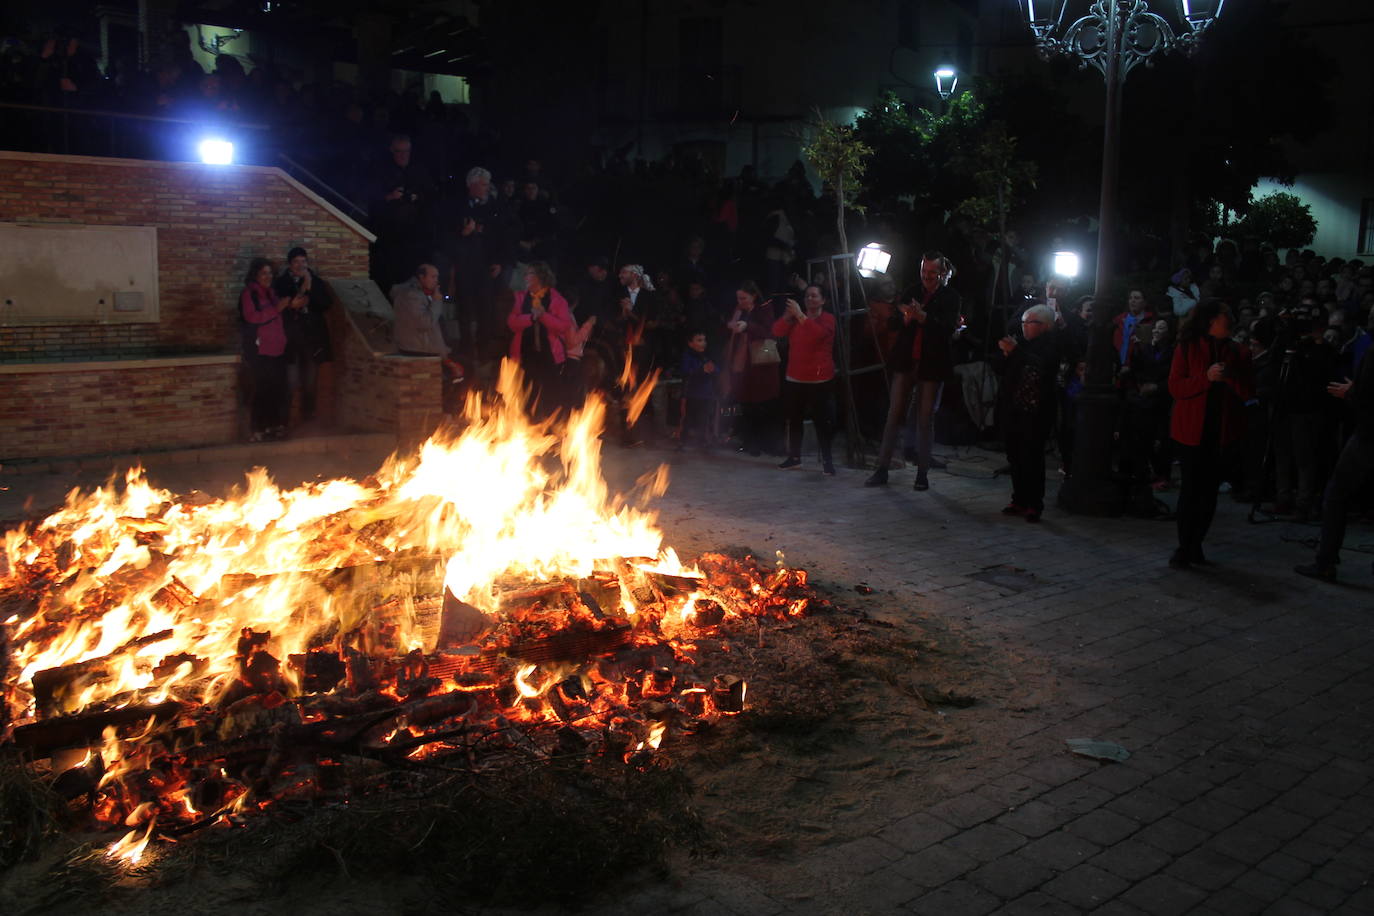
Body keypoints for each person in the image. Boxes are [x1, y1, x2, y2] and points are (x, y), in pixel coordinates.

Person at [1167, 299, 1254, 569]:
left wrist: (1229, 378)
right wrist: (1205, 378)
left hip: (1221, 434)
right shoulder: (1188, 347)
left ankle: (1196, 545)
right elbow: (1176, 387)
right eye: (1224, 314)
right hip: (1192, 432)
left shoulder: (1239, 352)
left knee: (1208, 493)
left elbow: (1248, 392)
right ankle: (1185, 545)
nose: (1230, 318)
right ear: (1210, 320)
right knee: (1191, 490)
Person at [866, 253, 962, 491]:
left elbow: (948, 328)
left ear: (941, 273)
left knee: (925, 417)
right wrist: (906, 319)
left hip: (931, 364)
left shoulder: (951, 297)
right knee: (894, 413)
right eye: (924, 271)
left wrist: (924, 317)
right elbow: (894, 323)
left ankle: (922, 473)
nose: (927, 276)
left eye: (931, 272)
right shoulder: (911, 290)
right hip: (906, 361)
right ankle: (881, 468)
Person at [1295, 342, 1374, 581]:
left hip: (1369, 436)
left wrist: (1350, 393)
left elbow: (1368, 396)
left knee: (1337, 495)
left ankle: (1326, 562)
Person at [996, 305, 1060, 522]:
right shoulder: (1022, 343)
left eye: (1029, 323)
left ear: (1045, 326)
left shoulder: (1050, 345)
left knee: (1031, 455)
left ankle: (1034, 503)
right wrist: (1006, 354)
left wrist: (1016, 353)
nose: (1024, 327)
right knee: (1014, 453)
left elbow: (1042, 365)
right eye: (1023, 323)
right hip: (1014, 407)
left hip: (1037, 409)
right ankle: (1019, 498)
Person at [773, 285, 837, 476]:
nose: (810, 299)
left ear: (823, 300)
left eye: (814, 296)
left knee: (821, 422)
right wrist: (787, 317)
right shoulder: (795, 318)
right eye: (807, 296)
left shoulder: (828, 319)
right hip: (795, 376)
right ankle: (794, 457)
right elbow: (776, 331)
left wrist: (800, 316)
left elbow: (818, 335)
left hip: (819, 379)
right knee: (794, 419)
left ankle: (827, 460)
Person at [272, 246, 333, 426]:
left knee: (310, 382)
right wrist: (296, 299)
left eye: (303, 261)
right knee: (289, 382)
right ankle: (283, 421)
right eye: (297, 262)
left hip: (311, 340)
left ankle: (308, 419)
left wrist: (310, 288)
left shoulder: (316, 281)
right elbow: (280, 306)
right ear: (290, 264)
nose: (300, 265)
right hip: (290, 341)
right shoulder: (281, 282)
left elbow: (326, 304)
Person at [507, 261, 573, 420]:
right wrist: (530, 317)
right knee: (527, 394)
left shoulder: (557, 300)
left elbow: (563, 326)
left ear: (539, 277)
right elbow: (512, 323)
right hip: (526, 354)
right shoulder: (520, 298)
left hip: (549, 355)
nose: (526, 277)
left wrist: (544, 316)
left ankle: (552, 428)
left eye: (529, 274)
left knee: (552, 394)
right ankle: (529, 429)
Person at [392, 263, 464, 410]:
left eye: (437, 276)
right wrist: (437, 301)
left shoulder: (425, 294)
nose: (436, 280)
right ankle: (446, 413)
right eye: (433, 276)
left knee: (463, 368)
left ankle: (450, 411)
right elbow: (425, 323)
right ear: (421, 277)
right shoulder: (411, 295)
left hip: (430, 348)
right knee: (456, 374)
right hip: (418, 349)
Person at [241, 258, 297, 442]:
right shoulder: (250, 294)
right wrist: (276, 309)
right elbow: (252, 317)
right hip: (260, 350)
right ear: (256, 275)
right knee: (262, 390)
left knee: (277, 389)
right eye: (264, 273)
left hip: (277, 350)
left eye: (270, 273)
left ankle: (272, 426)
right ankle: (257, 428)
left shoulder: (272, 293)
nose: (268, 277)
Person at [725, 281, 781, 456]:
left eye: (743, 297)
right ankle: (748, 440)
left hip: (758, 363)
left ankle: (762, 442)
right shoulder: (739, 309)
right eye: (738, 298)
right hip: (741, 361)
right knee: (745, 404)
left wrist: (748, 326)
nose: (739, 300)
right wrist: (731, 325)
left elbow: (769, 331)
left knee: (759, 404)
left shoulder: (763, 309)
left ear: (753, 296)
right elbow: (731, 326)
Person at [678, 330, 717, 450]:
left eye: (704, 340)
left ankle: (703, 442)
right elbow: (685, 371)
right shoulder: (688, 356)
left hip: (706, 395)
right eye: (699, 340)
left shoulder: (707, 356)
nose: (703, 343)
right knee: (687, 419)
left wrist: (713, 370)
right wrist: (701, 370)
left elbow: (716, 369)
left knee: (704, 419)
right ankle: (683, 442)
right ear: (690, 343)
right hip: (691, 394)